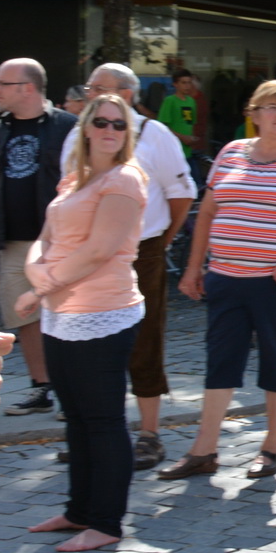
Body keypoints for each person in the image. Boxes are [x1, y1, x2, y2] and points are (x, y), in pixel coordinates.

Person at [164, 80, 276, 481]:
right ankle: (204, 449)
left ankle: (271, 446)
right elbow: (206, 214)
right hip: (225, 278)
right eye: (271, 107)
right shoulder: (230, 154)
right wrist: (194, 268)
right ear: (254, 114)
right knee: (220, 363)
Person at [18, 93, 148, 552]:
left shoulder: (125, 179)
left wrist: (39, 286)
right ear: (88, 127)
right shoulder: (74, 179)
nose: (111, 130)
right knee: (75, 418)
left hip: (104, 313)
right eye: (104, 122)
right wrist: (38, 273)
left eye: (120, 124)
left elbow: (99, 249)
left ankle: (106, 521)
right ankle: (79, 511)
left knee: (103, 420)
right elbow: (45, 236)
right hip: (61, 314)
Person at [63, 64, 197, 470]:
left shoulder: (154, 134)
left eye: (98, 89)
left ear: (125, 93)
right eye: (90, 90)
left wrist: (159, 242)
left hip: (141, 251)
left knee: (144, 342)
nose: (90, 95)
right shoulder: (76, 133)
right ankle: (98, 432)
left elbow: (181, 194)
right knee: (88, 344)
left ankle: (149, 435)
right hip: (86, 253)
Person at [0, 58, 78, 416]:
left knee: (66, 315)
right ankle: (41, 388)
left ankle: (72, 391)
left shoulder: (68, 127)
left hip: (59, 242)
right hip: (13, 243)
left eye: (1, 83)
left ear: (27, 88)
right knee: (24, 318)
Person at [158, 69, 207, 181]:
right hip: (173, 152)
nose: (187, 86)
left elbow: (190, 124)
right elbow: (162, 127)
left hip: (189, 151)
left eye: (189, 82)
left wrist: (192, 139)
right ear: (175, 84)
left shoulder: (191, 101)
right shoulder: (170, 101)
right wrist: (182, 137)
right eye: (183, 83)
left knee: (194, 183)